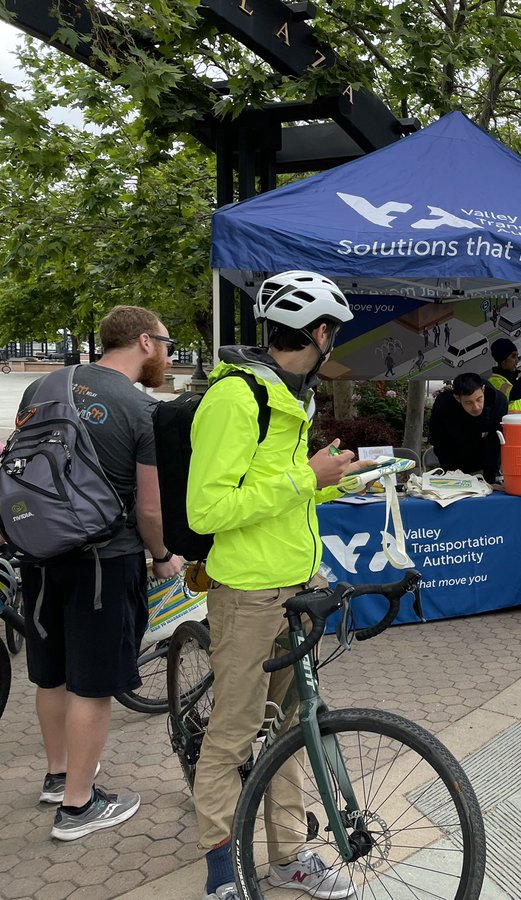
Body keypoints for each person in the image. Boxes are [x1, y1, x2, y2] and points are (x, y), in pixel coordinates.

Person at [188, 270, 367, 900]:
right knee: (235, 733)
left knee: (296, 726)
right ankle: (219, 870)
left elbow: (281, 491)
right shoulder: (236, 400)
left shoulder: (291, 397)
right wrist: (303, 479)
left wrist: (334, 480)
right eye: (334, 333)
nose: (334, 344)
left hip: (298, 584)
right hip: (247, 595)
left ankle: (288, 856)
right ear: (318, 331)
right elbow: (206, 510)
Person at [18, 305, 182, 841]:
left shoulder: (42, 386)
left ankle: (58, 774)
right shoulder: (142, 408)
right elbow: (150, 511)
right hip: (103, 561)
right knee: (93, 684)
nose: (168, 352)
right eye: (165, 342)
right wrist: (161, 556)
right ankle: (78, 806)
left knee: (51, 671)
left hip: (39, 548)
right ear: (143, 342)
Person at [429, 372, 508, 482]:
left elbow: (495, 441)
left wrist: (490, 479)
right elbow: (439, 441)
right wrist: (452, 475)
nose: (476, 407)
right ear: (457, 398)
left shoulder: (498, 401)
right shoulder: (443, 404)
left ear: (483, 389)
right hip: (455, 456)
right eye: (468, 402)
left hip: (485, 457)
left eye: (479, 399)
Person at [487, 337, 521, 413]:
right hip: (507, 425)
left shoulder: (515, 381)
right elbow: (516, 394)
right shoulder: (494, 381)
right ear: (503, 360)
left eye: (517, 356)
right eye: (513, 356)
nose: (517, 360)